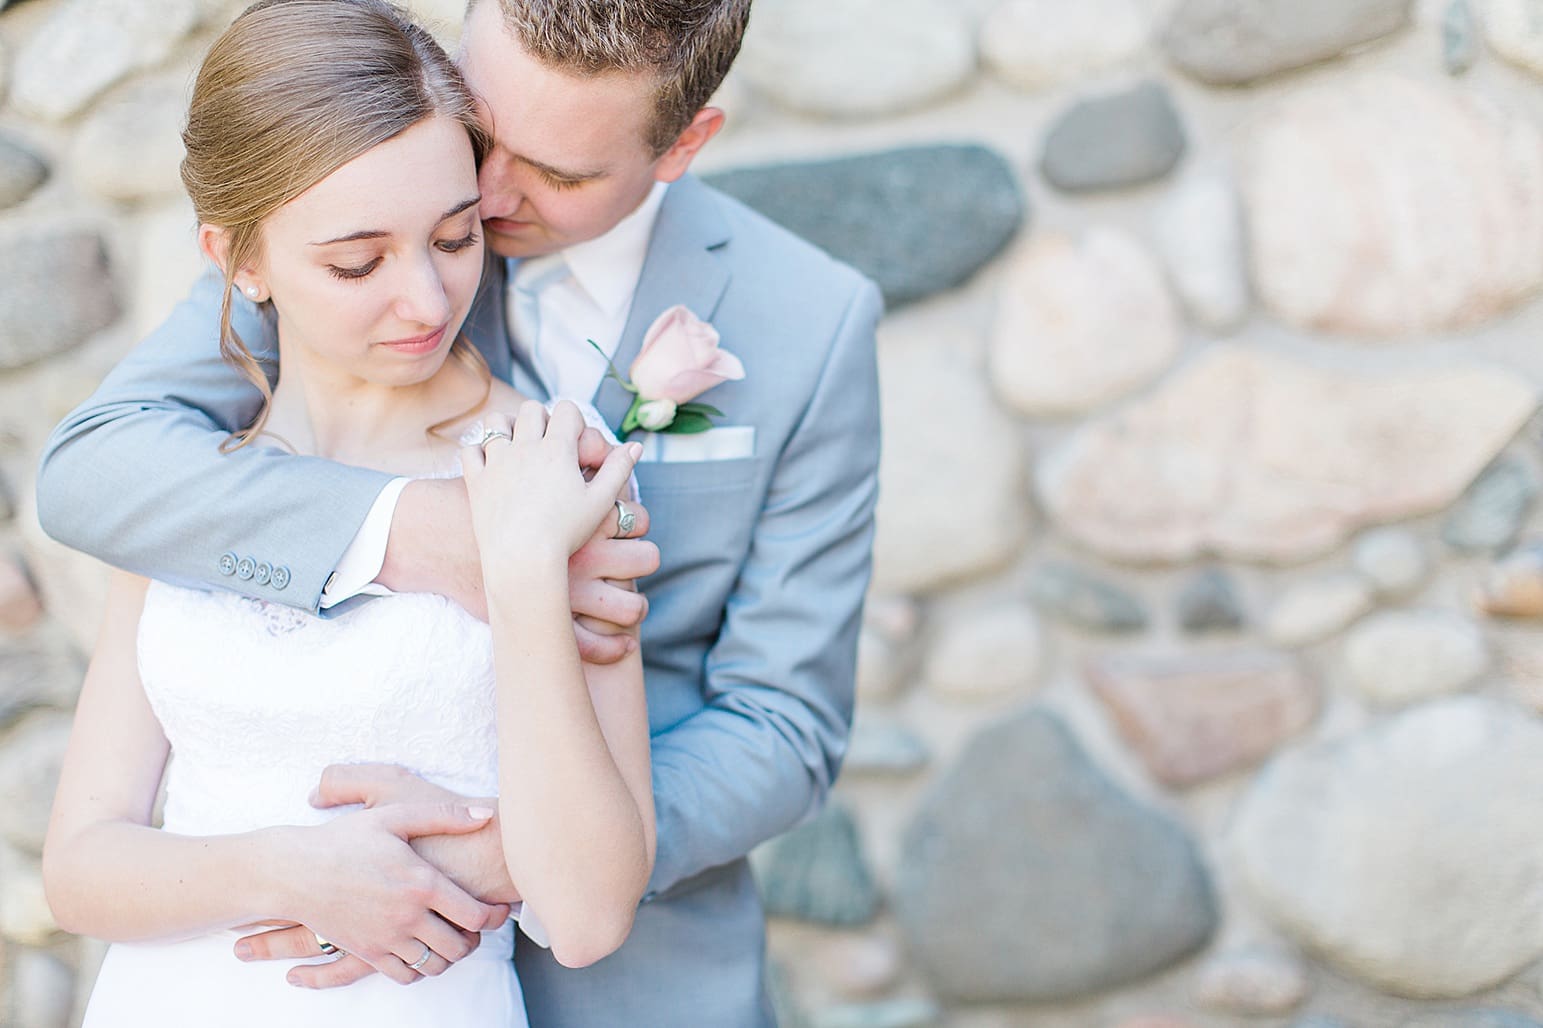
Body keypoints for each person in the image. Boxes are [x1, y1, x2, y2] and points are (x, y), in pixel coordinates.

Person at [36, 0, 883, 1023]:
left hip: (622, 974)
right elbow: (101, 470)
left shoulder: (809, 322)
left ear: (683, 144)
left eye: (555, 173)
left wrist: (498, 847)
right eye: (481, 134)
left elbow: (784, 720)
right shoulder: (363, 184)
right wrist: (415, 536)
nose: (481, 196)